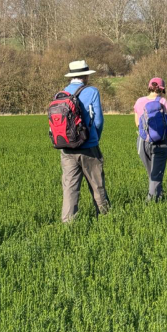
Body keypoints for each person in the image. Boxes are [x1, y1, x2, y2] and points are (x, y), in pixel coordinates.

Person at [59, 60, 110, 223]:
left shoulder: (61, 93)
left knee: (70, 187)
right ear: (85, 75)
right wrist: (94, 138)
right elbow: (99, 121)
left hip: (66, 147)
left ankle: (68, 223)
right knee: (97, 184)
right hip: (88, 146)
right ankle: (105, 218)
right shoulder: (92, 91)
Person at [134, 77, 167, 202]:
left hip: (142, 142)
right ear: (162, 89)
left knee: (152, 174)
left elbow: (137, 123)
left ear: (149, 86)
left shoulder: (139, 101)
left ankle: (158, 196)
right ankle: (151, 203)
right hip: (160, 143)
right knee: (156, 175)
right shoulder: (162, 101)